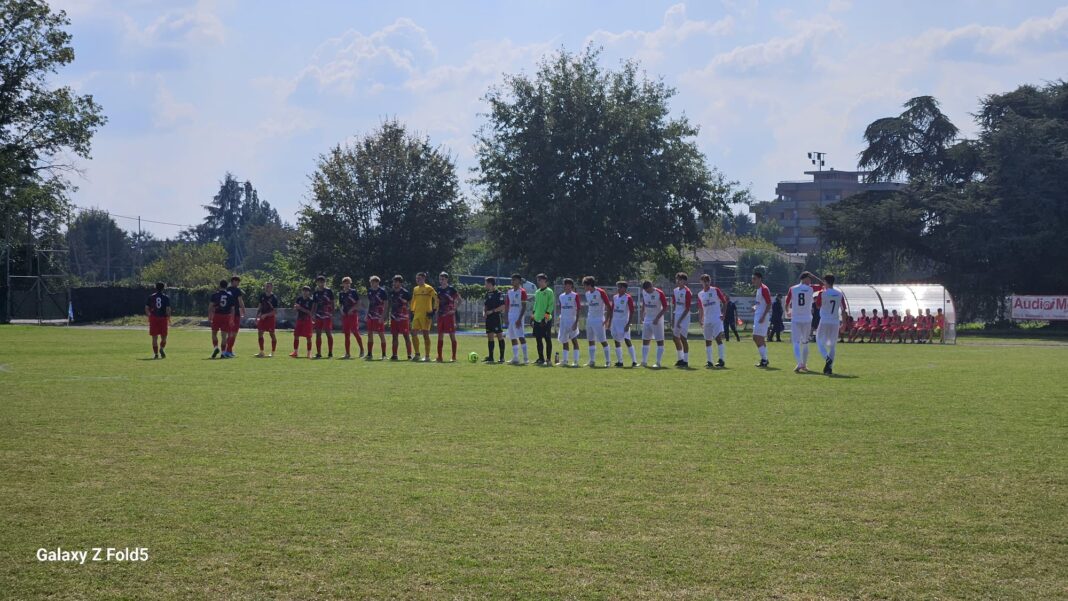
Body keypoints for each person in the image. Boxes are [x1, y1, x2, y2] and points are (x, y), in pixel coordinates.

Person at [784, 271, 823, 372]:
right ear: (804, 278)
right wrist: (815, 276)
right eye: (809, 278)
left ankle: (800, 363)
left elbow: (787, 302)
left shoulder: (793, 289)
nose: (810, 281)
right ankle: (803, 364)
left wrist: (788, 311)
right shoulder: (811, 288)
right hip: (807, 319)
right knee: (805, 342)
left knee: (796, 342)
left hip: (796, 318)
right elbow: (823, 285)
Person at [815, 274, 847, 375]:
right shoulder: (839, 294)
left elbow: (818, 305)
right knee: (832, 345)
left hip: (824, 320)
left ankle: (827, 359)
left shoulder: (822, 293)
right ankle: (829, 368)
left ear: (825, 282)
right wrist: (844, 323)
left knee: (819, 340)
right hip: (835, 321)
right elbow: (843, 310)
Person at [696, 274, 728, 368]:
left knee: (718, 338)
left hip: (716, 318)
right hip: (707, 320)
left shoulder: (715, 290)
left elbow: (724, 302)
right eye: (704, 281)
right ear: (701, 282)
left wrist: (723, 314)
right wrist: (700, 319)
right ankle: (709, 361)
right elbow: (701, 308)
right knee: (708, 340)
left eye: (707, 281)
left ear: (710, 281)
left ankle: (721, 360)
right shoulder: (700, 294)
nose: (706, 283)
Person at [583, 276, 612, 368]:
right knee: (590, 340)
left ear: (589, 285)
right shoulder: (587, 293)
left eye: (585, 285)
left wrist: (607, 320)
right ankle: (592, 361)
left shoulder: (601, 292)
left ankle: (608, 361)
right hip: (590, 319)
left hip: (599, 319)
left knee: (603, 341)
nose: (584, 287)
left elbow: (608, 306)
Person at [410, 272, 439, 362]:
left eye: (419, 278)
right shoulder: (415, 289)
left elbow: (436, 299)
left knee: (425, 335)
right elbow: (413, 301)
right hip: (417, 314)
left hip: (426, 315)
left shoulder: (429, 288)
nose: (417, 280)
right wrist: (412, 310)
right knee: (413, 333)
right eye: (417, 278)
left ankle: (427, 356)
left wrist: (434, 311)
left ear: (424, 279)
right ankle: (417, 354)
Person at [639, 280, 668, 368]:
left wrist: (657, 318)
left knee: (659, 341)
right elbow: (644, 302)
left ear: (651, 286)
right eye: (645, 291)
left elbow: (665, 307)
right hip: (647, 319)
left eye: (648, 290)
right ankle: (644, 361)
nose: (647, 292)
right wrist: (642, 313)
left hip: (657, 320)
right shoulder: (644, 292)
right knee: (645, 340)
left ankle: (658, 362)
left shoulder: (659, 293)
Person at [610, 281, 638, 367]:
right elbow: (612, 310)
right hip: (615, 322)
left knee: (627, 340)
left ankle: (634, 361)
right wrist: (609, 321)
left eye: (619, 287)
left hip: (623, 323)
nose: (618, 289)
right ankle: (620, 361)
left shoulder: (628, 298)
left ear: (624, 288)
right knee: (616, 340)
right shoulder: (615, 297)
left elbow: (632, 311)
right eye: (617, 287)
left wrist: (628, 323)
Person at [435, 272, 461, 362]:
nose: (441, 281)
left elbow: (459, 300)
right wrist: (436, 310)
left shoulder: (451, 289)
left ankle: (453, 357)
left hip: (449, 316)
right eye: (440, 279)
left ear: (446, 279)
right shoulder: (438, 289)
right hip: (440, 316)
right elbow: (437, 301)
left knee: (452, 336)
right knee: (440, 335)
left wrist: (454, 309)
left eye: (442, 279)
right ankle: (439, 357)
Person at [556, 278, 581, 367]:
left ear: (571, 286)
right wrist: (559, 319)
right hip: (563, 321)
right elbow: (561, 308)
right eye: (565, 284)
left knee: (574, 340)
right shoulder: (561, 296)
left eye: (568, 284)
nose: (566, 286)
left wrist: (576, 322)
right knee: (564, 340)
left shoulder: (575, 295)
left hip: (572, 320)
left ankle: (576, 361)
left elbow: (578, 309)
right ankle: (565, 360)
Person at [505, 274, 529, 364]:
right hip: (510, 317)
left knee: (521, 336)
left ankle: (526, 358)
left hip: (518, 317)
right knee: (512, 337)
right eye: (512, 280)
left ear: (519, 281)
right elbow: (507, 305)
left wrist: (519, 319)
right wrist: (506, 317)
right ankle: (515, 358)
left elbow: (524, 307)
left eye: (514, 280)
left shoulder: (522, 291)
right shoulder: (509, 292)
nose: (512, 282)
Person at [388, 275, 413, 361]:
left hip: (403, 318)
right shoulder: (391, 292)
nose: (394, 283)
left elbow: (411, 304)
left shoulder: (405, 292)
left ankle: (409, 355)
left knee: (406, 336)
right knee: (394, 336)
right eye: (393, 282)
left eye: (396, 282)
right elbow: (389, 304)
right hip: (394, 317)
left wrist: (407, 307)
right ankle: (394, 355)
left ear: (400, 283)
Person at [531, 274, 554, 365]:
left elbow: (551, 306)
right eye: (538, 280)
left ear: (545, 280)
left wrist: (546, 318)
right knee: (538, 339)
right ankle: (541, 358)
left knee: (547, 339)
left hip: (546, 320)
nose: (539, 282)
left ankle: (548, 359)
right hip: (537, 319)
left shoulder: (549, 291)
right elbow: (535, 305)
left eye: (540, 280)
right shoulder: (537, 292)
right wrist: (533, 316)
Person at [751, 271, 773, 368]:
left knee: (756, 337)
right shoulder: (759, 289)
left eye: (754, 278)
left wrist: (763, 316)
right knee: (759, 338)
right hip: (758, 315)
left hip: (762, 316)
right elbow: (760, 303)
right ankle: (764, 359)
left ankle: (764, 359)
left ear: (760, 279)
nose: (753, 280)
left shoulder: (764, 289)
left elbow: (769, 304)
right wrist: (755, 307)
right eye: (753, 278)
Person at [364, 276, 388, 360]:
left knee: (381, 334)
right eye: (371, 282)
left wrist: (383, 316)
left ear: (378, 282)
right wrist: (367, 314)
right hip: (371, 315)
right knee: (369, 334)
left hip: (379, 315)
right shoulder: (370, 291)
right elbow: (370, 303)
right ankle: (369, 354)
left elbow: (386, 305)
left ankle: (384, 355)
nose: (372, 283)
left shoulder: (382, 291)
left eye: (374, 282)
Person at [671, 272, 693, 367]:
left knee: (683, 338)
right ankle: (680, 359)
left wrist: (680, 320)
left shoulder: (687, 292)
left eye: (680, 280)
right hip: (677, 316)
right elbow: (675, 304)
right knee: (675, 338)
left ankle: (686, 361)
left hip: (684, 317)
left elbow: (687, 308)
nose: (678, 281)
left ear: (685, 281)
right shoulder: (675, 291)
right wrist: (673, 317)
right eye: (677, 279)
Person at [482, 277, 506, 363]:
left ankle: (502, 357)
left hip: (496, 318)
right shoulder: (487, 294)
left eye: (486, 283)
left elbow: (503, 307)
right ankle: (491, 357)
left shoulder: (499, 294)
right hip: (489, 319)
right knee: (490, 337)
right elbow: (485, 306)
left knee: (500, 336)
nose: (485, 285)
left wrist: (492, 311)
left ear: (490, 284)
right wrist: (484, 313)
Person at [145, 281, 171, 359]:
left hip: (154, 318)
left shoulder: (151, 297)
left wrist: (150, 316)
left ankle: (156, 354)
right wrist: (168, 317)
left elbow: (146, 308)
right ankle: (161, 349)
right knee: (164, 336)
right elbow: (168, 309)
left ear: (155, 288)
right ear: (163, 288)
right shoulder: (166, 297)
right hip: (163, 318)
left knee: (154, 337)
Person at [311, 275, 335, 359]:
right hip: (318, 315)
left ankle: (330, 353)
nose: (320, 283)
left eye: (322, 282)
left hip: (327, 315)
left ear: (324, 282)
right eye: (319, 282)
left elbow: (332, 303)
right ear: (317, 283)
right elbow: (314, 304)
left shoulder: (329, 291)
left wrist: (332, 312)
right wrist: (312, 314)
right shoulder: (315, 293)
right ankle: (318, 353)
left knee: (328, 333)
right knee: (318, 334)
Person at [339, 276, 363, 359]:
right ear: (343, 284)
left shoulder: (353, 292)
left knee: (355, 332)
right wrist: (341, 310)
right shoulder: (341, 293)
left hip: (353, 315)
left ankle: (362, 350)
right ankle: (347, 353)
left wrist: (352, 309)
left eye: (348, 283)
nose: (347, 284)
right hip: (345, 316)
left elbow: (359, 302)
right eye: (345, 283)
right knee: (346, 335)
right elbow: (341, 304)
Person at [208, 280, 233, 359]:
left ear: (220, 286)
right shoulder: (229, 295)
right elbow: (232, 308)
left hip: (217, 315)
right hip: (226, 316)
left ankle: (216, 347)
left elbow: (210, 306)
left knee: (214, 334)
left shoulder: (215, 295)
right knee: (224, 336)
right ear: (227, 286)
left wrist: (210, 315)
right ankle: (223, 353)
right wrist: (231, 318)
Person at [255, 282, 279, 358]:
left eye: (268, 286)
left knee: (272, 334)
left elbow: (275, 311)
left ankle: (272, 352)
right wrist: (256, 316)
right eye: (266, 286)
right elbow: (260, 306)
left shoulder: (274, 298)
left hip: (270, 318)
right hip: (262, 318)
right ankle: (261, 351)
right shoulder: (262, 296)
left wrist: (266, 315)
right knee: (260, 333)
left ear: (271, 288)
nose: (267, 287)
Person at [224, 276, 246, 358]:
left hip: (227, 314)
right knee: (233, 333)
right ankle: (228, 351)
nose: (238, 283)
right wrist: (243, 310)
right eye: (237, 281)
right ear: (233, 281)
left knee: (230, 333)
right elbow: (240, 301)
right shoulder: (237, 290)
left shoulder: (226, 290)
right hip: (235, 314)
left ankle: (228, 350)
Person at [290, 286, 313, 358]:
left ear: (309, 292)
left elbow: (310, 312)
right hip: (299, 319)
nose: (305, 292)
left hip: (307, 320)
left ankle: (309, 353)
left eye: (307, 291)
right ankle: (295, 352)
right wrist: (295, 308)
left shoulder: (311, 301)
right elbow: (296, 308)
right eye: (304, 291)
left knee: (308, 337)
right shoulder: (299, 299)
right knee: (296, 335)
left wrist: (300, 308)